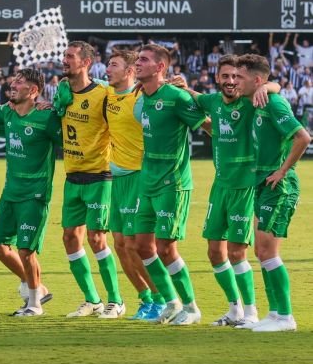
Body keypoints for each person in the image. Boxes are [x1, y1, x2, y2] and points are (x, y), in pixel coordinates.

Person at [190, 56, 276, 326]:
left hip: (244, 186)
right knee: (215, 252)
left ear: (243, 79)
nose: (230, 81)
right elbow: (195, 96)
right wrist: (182, 86)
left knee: (237, 252)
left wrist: (267, 87)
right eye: (225, 76)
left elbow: (277, 89)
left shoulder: (252, 102)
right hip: (220, 186)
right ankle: (234, 309)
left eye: (235, 77)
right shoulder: (213, 101)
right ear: (217, 78)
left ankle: (251, 313)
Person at [132, 44, 208, 325]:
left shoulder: (175, 97)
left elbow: (208, 124)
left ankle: (191, 307)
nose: (137, 63)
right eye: (137, 59)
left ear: (160, 67)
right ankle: (171, 301)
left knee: (165, 247)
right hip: (147, 180)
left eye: (143, 60)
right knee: (142, 245)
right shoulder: (144, 95)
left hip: (172, 183)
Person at [236, 54, 310, 332]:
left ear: (256, 80)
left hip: (279, 186)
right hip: (262, 184)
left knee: (267, 250)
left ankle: (286, 317)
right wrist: (269, 86)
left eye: (240, 77)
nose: (235, 82)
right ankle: (275, 313)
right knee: (261, 250)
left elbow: (303, 137)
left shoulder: (274, 103)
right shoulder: (257, 100)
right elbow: (271, 84)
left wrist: (282, 170)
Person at [54, 42, 124, 318]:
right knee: (70, 237)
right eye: (64, 56)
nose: (64, 60)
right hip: (72, 175)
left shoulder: (104, 94)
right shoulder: (62, 91)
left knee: (96, 238)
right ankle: (92, 299)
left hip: (99, 175)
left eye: (70, 57)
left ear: (85, 63)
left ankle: (116, 301)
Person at [101, 50, 166, 321]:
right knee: (118, 244)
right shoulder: (104, 94)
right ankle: (146, 298)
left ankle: (162, 298)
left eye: (114, 65)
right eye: (107, 64)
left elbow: (169, 92)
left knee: (135, 244)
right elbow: (79, 87)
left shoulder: (141, 96)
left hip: (140, 176)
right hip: (117, 178)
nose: (107, 69)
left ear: (129, 71)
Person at [0, 68, 58, 316]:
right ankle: (37, 287)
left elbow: (71, 139)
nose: (13, 85)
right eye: (14, 80)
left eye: (20, 83)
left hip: (35, 194)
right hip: (11, 192)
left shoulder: (47, 117)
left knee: (25, 250)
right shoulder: (6, 112)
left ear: (33, 91)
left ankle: (34, 304)